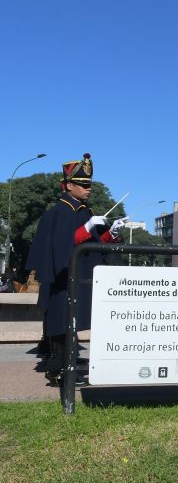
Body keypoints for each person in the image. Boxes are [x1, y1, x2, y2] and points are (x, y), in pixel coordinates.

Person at [25, 154, 127, 386]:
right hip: (61, 276)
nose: (88, 188)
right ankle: (59, 371)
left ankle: (67, 366)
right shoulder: (60, 211)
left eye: (89, 184)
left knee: (71, 323)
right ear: (69, 185)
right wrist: (85, 229)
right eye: (83, 184)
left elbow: (93, 243)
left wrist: (110, 234)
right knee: (61, 323)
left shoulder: (83, 210)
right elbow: (61, 246)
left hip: (78, 275)